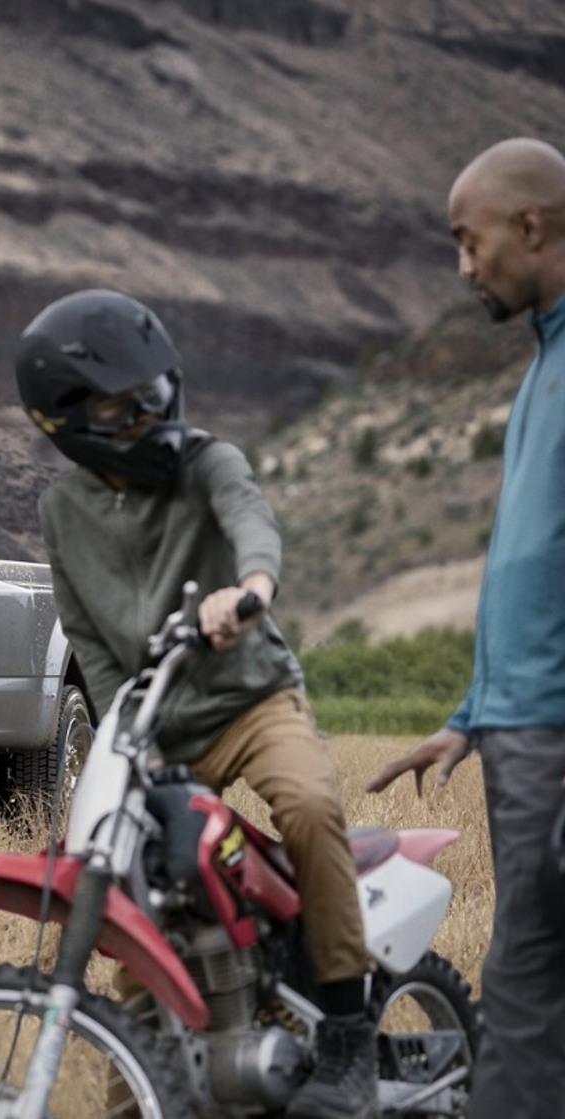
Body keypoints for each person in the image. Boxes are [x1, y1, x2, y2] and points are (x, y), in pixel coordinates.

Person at [17, 289, 374, 1119]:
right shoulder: (61, 512)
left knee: (311, 805)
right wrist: (125, 742)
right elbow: (93, 645)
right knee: (137, 900)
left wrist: (249, 590)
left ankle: (350, 1031)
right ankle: (135, 1096)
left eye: (155, 395)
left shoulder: (210, 459)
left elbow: (251, 520)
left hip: (251, 702)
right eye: (124, 406)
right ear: (70, 420)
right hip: (156, 732)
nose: (151, 414)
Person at [366, 136, 565, 1119]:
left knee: (526, 989)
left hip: (556, 751)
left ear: (531, 225)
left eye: (468, 239)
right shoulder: (545, 362)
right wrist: (471, 713)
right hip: (523, 736)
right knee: (530, 982)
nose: (463, 265)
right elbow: (538, 576)